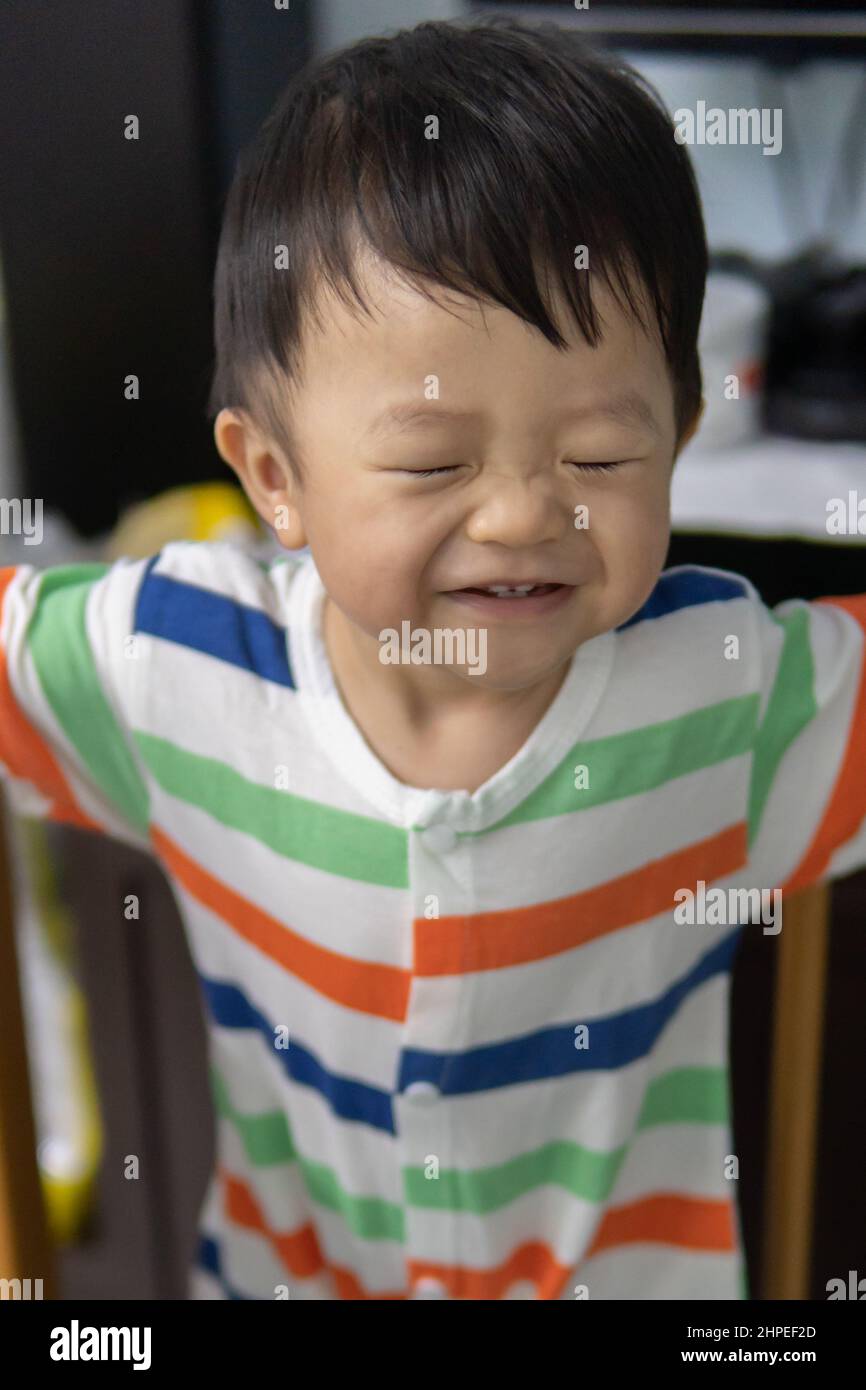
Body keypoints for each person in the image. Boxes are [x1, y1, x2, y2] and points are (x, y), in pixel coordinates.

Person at [2, 17, 865, 1300]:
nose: (522, 513)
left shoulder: (730, 692)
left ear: (679, 438)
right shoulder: (171, 664)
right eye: (430, 462)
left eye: (599, 458)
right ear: (275, 478)